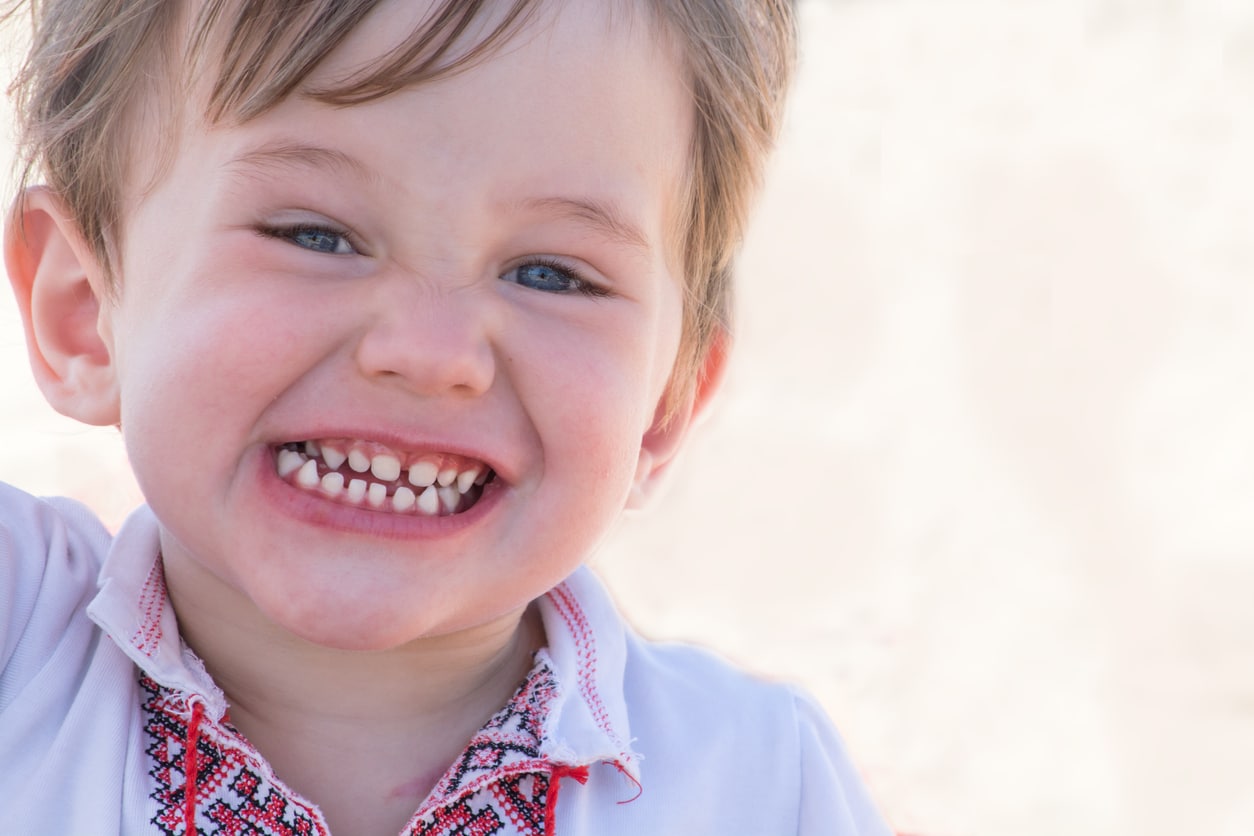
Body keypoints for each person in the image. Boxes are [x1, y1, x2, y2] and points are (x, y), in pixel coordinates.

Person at [0, 0, 891, 833]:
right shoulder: (21, 645)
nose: (430, 353)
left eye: (552, 274)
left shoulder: (762, 787)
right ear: (83, 311)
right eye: (315, 235)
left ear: (665, 404)